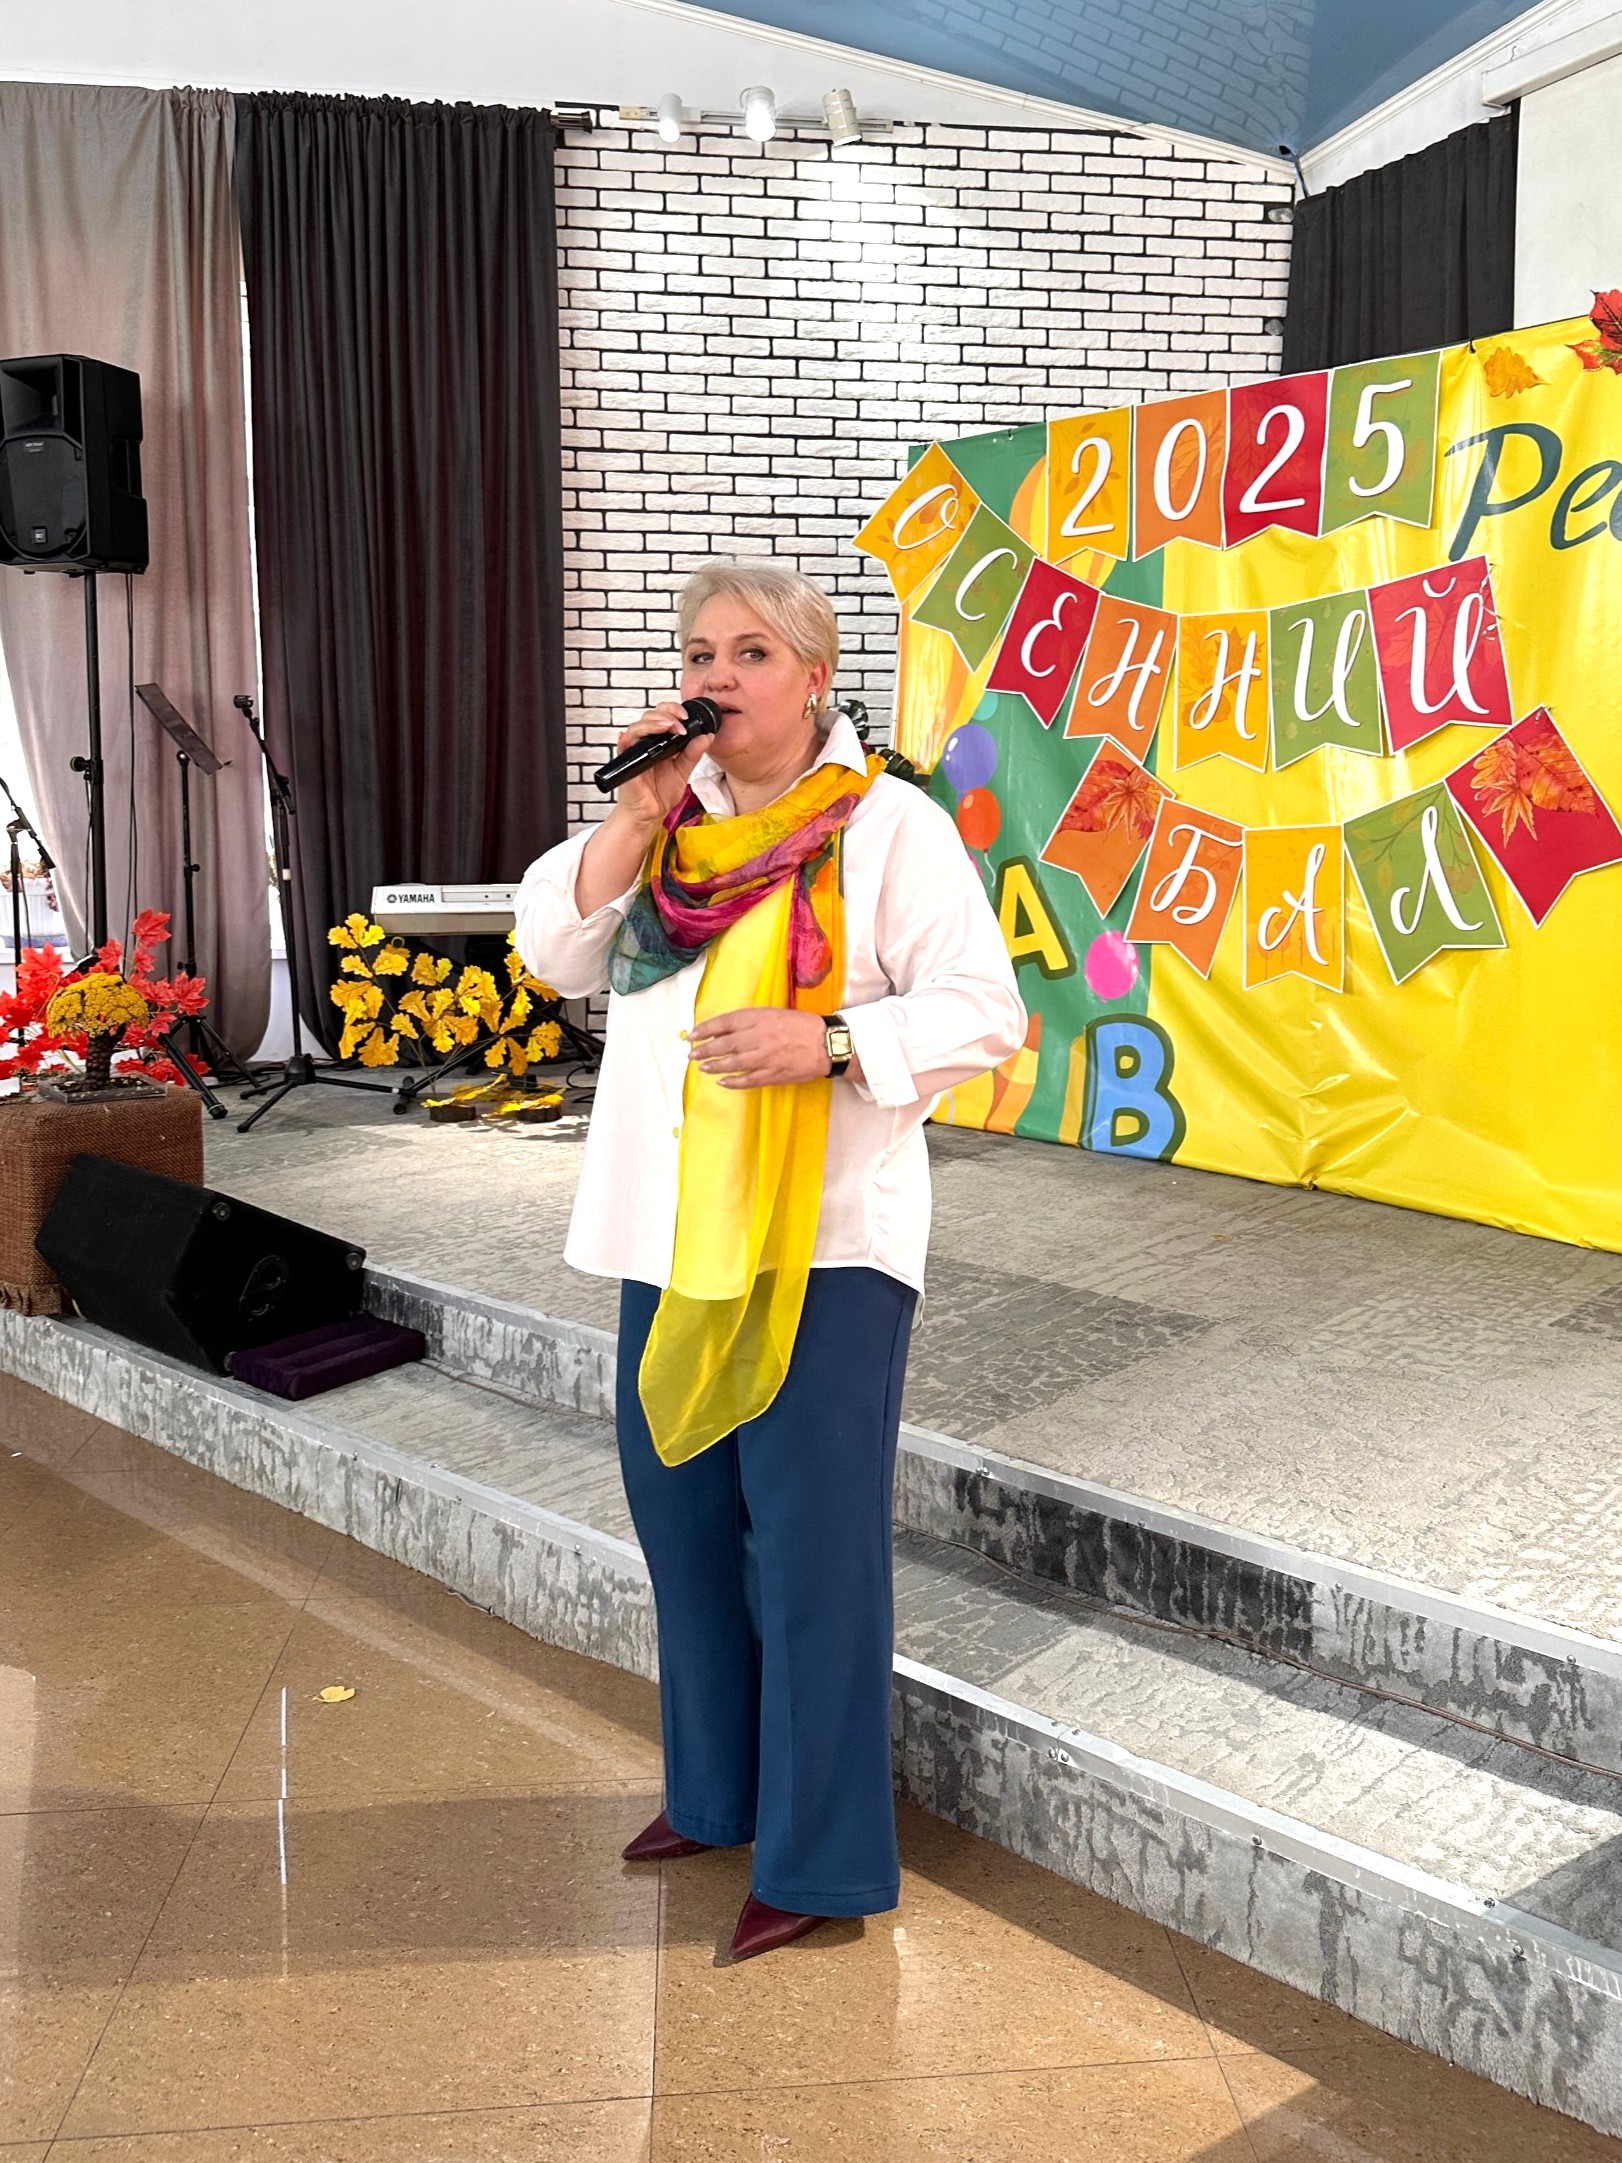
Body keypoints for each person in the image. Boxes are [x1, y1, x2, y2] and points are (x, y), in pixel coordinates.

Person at [514, 560, 1025, 1961]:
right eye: (699, 654)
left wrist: (835, 1040)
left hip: (825, 1247)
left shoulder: (888, 826)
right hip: (668, 1234)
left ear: (813, 675)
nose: (716, 678)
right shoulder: (665, 832)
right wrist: (631, 816)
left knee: (811, 1555)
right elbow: (552, 949)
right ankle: (716, 1793)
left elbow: (985, 1010)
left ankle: (819, 1858)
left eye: (750, 653)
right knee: (682, 1530)